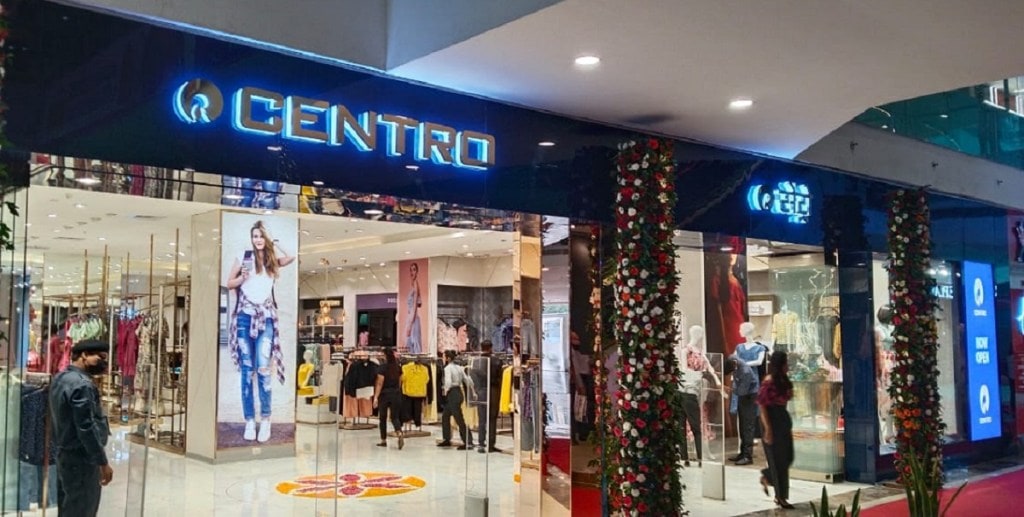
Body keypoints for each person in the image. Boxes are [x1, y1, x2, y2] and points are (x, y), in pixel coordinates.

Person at [226, 220, 296, 442]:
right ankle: (249, 420)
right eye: (254, 236)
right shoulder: (244, 255)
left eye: (260, 236)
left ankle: (266, 419)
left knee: (264, 369)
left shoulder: (271, 260)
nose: (257, 240)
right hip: (245, 317)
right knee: (247, 371)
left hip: (265, 318)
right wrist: (242, 278)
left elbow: (291, 256)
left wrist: (274, 240)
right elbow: (229, 283)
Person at [50, 339, 113, 517]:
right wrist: (102, 462)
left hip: (64, 455)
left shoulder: (60, 378)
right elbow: (86, 427)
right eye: (100, 357)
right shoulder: (82, 385)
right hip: (82, 459)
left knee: (68, 507)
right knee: (82, 508)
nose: (103, 363)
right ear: (84, 355)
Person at [758, 351, 795, 509]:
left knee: (788, 457)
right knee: (777, 460)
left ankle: (767, 477)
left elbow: (788, 397)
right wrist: (768, 429)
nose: (788, 366)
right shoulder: (769, 381)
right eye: (785, 363)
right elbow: (762, 406)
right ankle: (780, 497)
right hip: (771, 419)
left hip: (782, 419)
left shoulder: (783, 380)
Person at [725, 354, 758, 465]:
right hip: (743, 397)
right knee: (742, 426)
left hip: (750, 398)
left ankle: (748, 456)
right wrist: (733, 388)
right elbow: (736, 383)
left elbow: (742, 391)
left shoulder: (745, 371)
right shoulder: (733, 361)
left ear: (735, 363)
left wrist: (730, 390)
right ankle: (742, 453)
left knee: (748, 427)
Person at [438, 350, 474, 450]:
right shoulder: (459, 367)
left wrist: (445, 390)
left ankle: (468, 441)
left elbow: (448, 382)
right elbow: (467, 380)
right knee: (445, 416)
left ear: (448, 358)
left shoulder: (447, 368)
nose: (444, 359)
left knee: (459, 418)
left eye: (445, 357)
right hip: (459, 392)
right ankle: (446, 438)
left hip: (452, 393)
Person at [472, 340, 504, 453]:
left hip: (481, 390)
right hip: (493, 391)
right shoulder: (497, 361)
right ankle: (491, 444)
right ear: (491, 348)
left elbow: (473, 378)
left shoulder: (476, 362)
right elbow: (500, 378)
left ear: (481, 348)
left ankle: (481, 443)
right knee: (492, 418)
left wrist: (477, 390)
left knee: (482, 419)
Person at [373, 348, 405, 449]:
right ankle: (399, 432)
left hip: (384, 395)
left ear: (385, 356)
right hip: (396, 394)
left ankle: (383, 440)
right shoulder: (398, 368)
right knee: (394, 417)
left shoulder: (382, 368)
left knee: (382, 418)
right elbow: (400, 382)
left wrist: (375, 397)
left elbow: (379, 383)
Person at [570, 331, 594, 443]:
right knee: (576, 408)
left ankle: (579, 433)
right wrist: (580, 385)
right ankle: (575, 435)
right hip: (574, 382)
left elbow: (581, 361)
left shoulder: (574, 352)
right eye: (575, 339)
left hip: (577, 381)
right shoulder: (571, 352)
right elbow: (575, 369)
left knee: (579, 408)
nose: (578, 342)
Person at [404, 262, 423, 353]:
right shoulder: (413, 285)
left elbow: (415, 305)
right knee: (410, 344)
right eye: (411, 270)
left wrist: (410, 324)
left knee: (414, 343)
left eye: (414, 270)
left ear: (417, 272)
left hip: (413, 318)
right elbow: (419, 303)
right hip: (411, 317)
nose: (412, 272)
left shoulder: (415, 284)